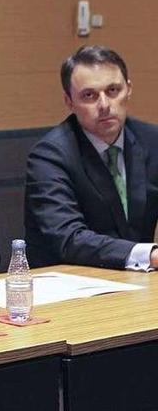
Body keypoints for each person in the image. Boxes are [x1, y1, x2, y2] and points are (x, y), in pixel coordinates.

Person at [25, 45, 158, 269]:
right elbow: (69, 238)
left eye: (113, 90)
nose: (105, 105)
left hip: (137, 281)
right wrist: (149, 255)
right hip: (73, 285)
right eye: (89, 95)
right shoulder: (49, 156)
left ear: (129, 89)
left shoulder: (152, 140)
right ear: (69, 101)